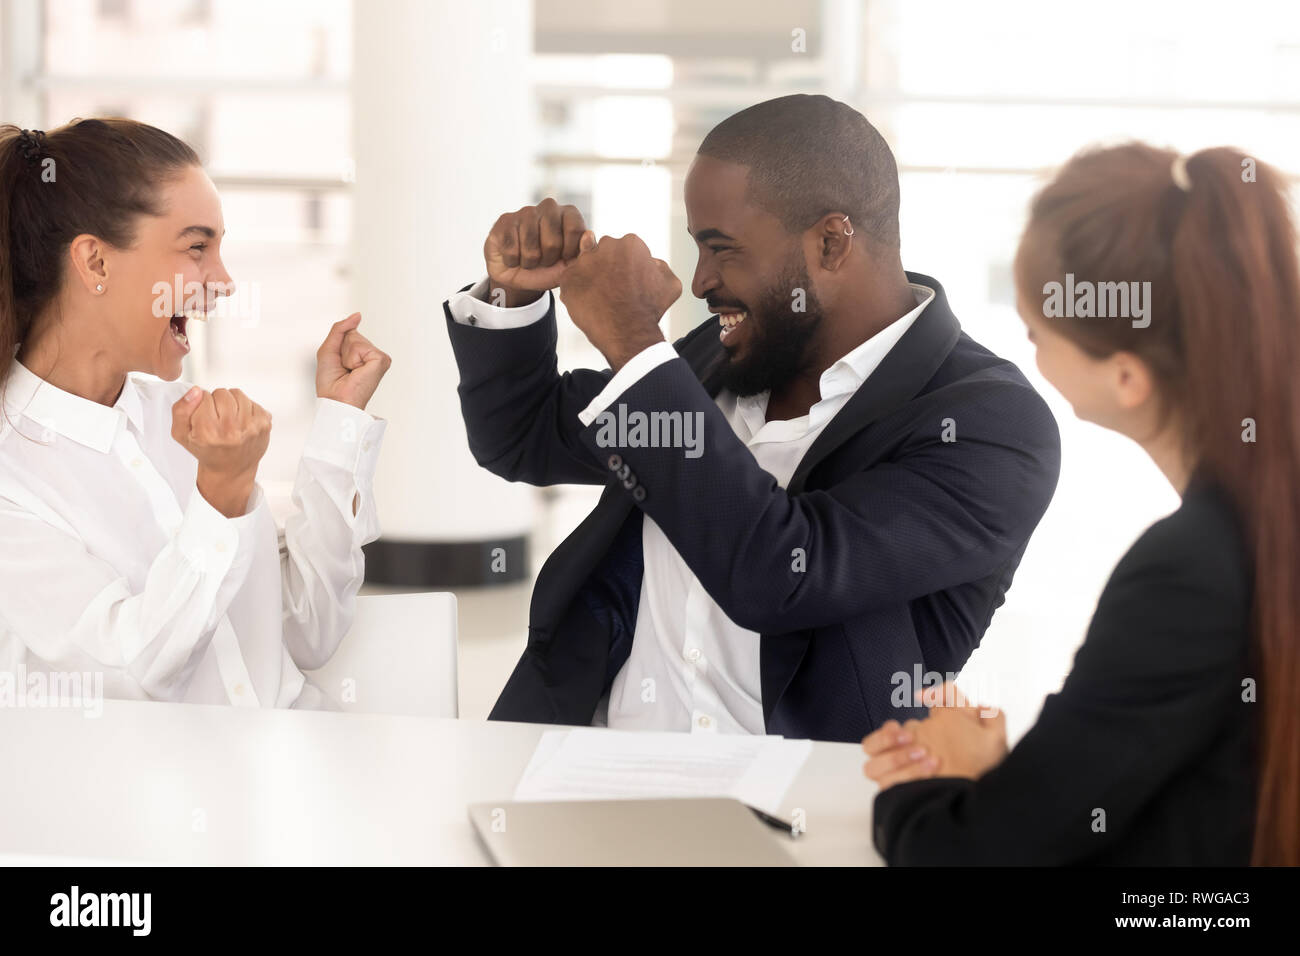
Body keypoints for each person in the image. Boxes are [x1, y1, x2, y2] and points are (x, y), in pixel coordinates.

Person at [443, 94, 1060, 742]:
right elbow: (522, 437)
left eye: (722, 249)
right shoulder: (727, 354)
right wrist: (514, 294)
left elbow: (781, 573)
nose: (700, 280)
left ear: (830, 241)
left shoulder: (993, 424)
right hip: (581, 755)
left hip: (798, 814)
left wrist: (632, 339)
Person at [863, 142, 1300, 866]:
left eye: (1038, 332)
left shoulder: (1190, 572)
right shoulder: (1256, 528)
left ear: (1127, 376)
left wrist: (927, 782)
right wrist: (1021, 783)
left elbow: (971, 859)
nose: (1026, 346)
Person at [0, 118, 391, 708]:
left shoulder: (181, 420)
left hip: (308, 761)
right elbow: (136, 669)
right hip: (173, 793)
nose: (225, 281)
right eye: (197, 247)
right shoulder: (14, 481)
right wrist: (220, 497)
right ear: (95, 263)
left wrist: (340, 421)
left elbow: (310, 630)